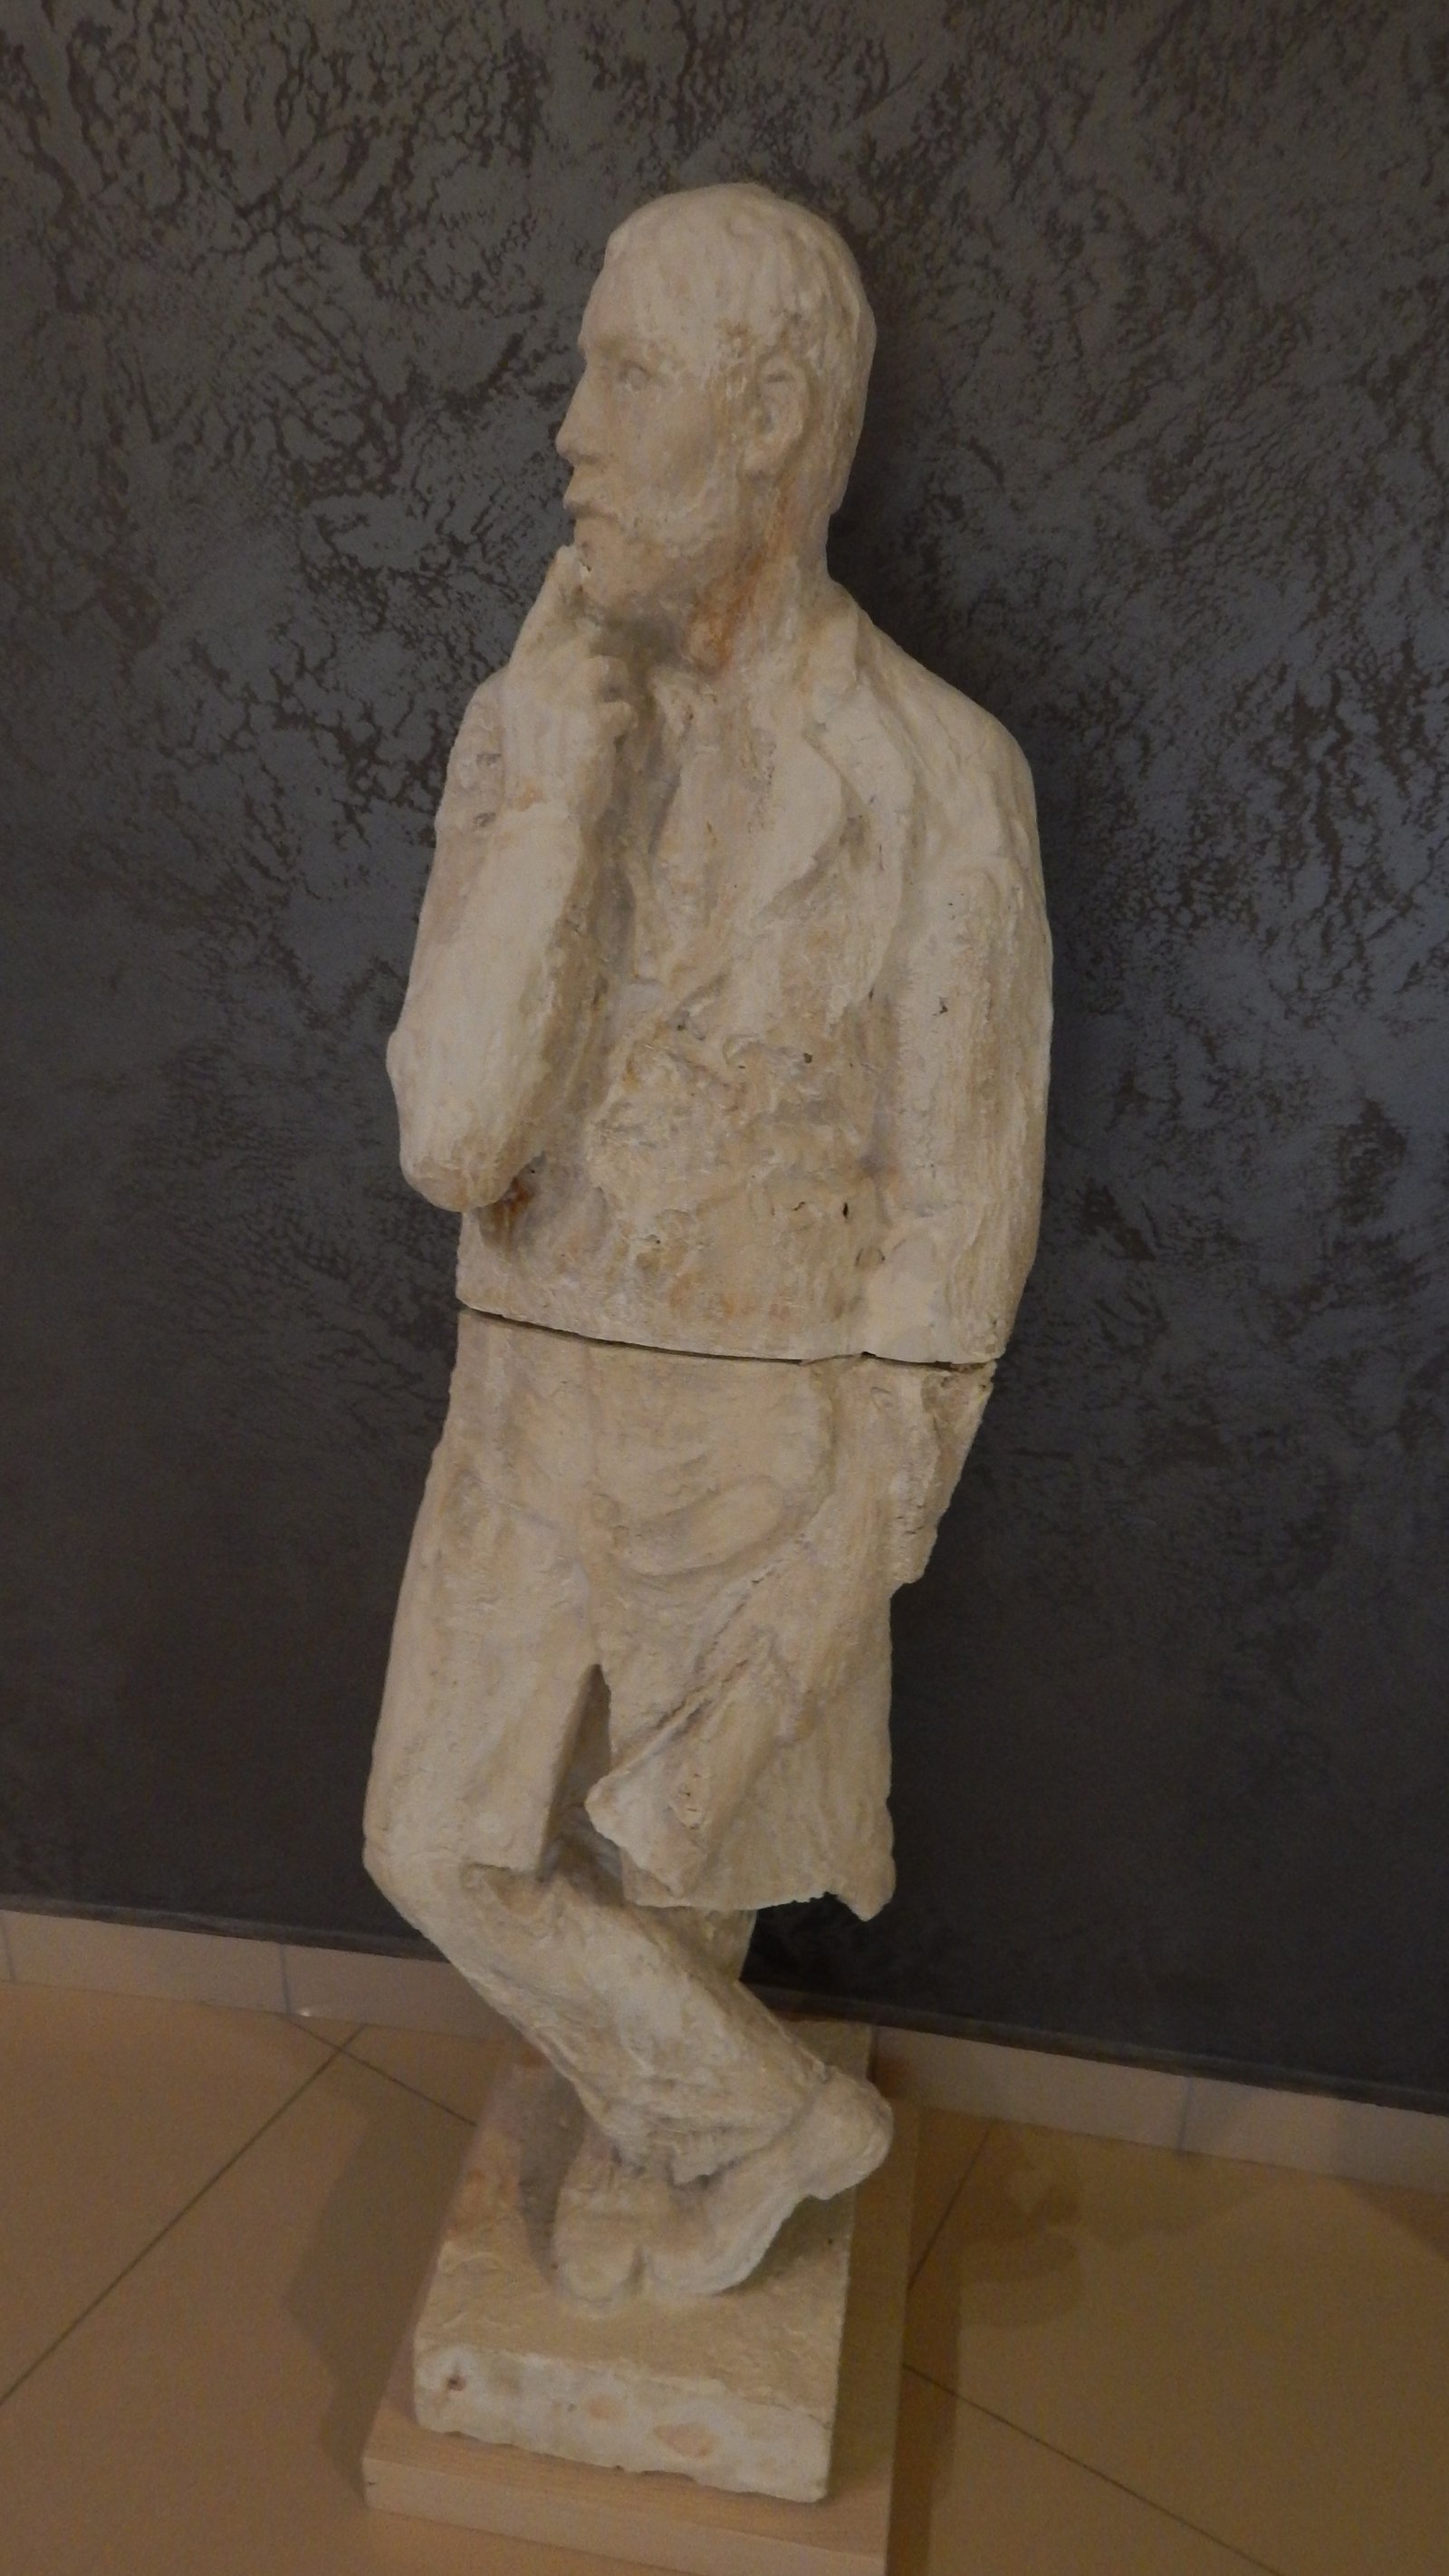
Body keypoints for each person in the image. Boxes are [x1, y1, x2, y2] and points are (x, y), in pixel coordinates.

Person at [364, 182, 1051, 2302]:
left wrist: (864, 1538)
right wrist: (556, 801)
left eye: (624, 377)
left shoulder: (936, 777)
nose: (569, 430)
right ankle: (759, 2118)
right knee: (431, 1842)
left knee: (680, 1883)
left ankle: (688, 2146)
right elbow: (452, 1134)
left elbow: (957, 1216)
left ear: (763, 419)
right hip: (523, 1398)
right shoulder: (528, 723)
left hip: (757, 1446)